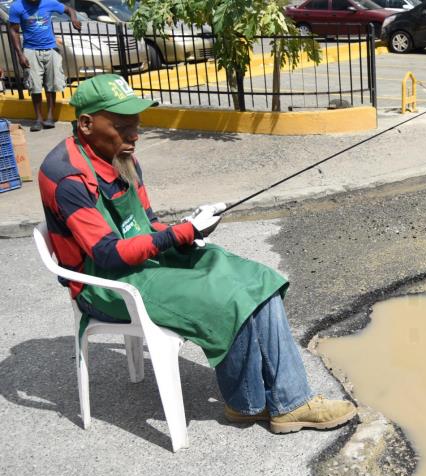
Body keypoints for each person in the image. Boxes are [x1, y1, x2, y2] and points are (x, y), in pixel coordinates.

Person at [38, 74, 357, 434]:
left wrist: (191, 228)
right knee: (227, 295)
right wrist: (181, 233)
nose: (134, 135)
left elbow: (147, 223)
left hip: (141, 260)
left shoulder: (120, 155)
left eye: (136, 125)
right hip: (104, 284)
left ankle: (265, 402)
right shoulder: (67, 176)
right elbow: (108, 255)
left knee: (257, 278)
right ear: (86, 124)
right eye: (123, 127)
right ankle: (273, 403)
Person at [8, 0, 82, 132]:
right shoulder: (17, 7)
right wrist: (20, 54)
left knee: (51, 84)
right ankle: (38, 118)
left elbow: (69, 9)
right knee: (34, 85)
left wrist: (74, 18)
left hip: (51, 49)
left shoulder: (49, 2)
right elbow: (14, 31)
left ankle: (50, 116)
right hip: (31, 50)